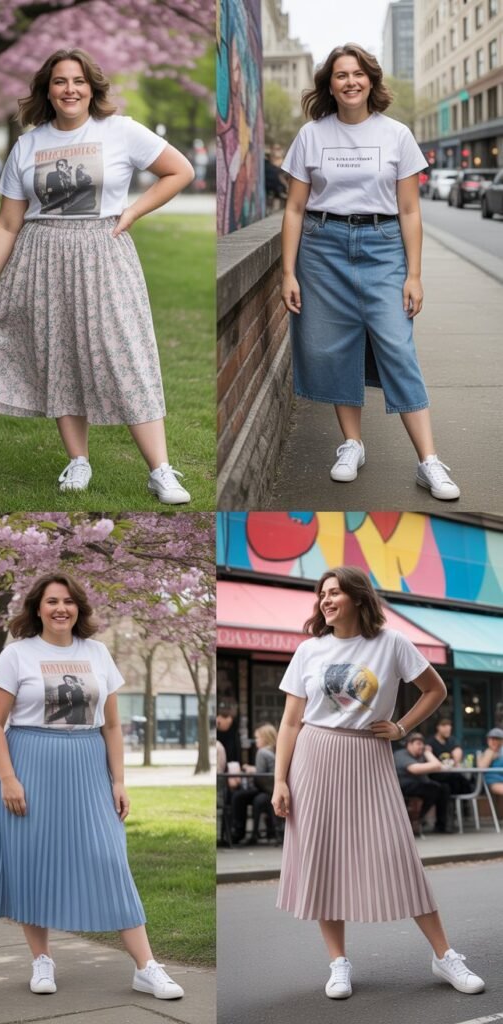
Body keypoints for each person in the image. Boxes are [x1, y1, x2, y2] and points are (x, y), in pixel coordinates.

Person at [0, 49, 195, 503]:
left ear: (92, 87)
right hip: (43, 257)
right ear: (47, 90)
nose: (70, 89)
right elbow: (6, 224)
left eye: (78, 81)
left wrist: (132, 212)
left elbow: (180, 170)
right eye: (60, 81)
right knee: (60, 356)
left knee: (127, 355)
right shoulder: (29, 144)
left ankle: (160, 471)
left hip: (103, 253)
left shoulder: (119, 131)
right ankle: (78, 461)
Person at [272, 566, 484, 1000]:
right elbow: (290, 722)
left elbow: (435, 690)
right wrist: (280, 780)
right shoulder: (309, 651)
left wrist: (403, 728)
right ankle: (338, 963)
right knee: (322, 858)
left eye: (335, 592)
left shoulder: (392, 644)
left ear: (358, 597)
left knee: (398, 855)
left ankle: (444, 956)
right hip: (314, 758)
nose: (326, 600)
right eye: (322, 594)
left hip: (369, 757)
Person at [0, 571, 184, 1000]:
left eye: (69, 601)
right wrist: (7, 777)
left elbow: (111, 724)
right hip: (31, 763)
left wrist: (119, 781)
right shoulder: (17, 655)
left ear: (79, 608)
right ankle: (42, 960)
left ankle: (146, 967)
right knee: (32, 861)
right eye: (52, 601)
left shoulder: (97, 653)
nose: (61, 608)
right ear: (37, 607)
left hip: (89, 765)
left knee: (109, 859)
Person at [280, 43, 460, 500]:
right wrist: (288, 272)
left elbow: (409, 210)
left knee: (397, 347)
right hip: (323, 249)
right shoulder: (312, 136)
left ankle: (429, 461)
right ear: (330, 85)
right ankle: (351, 444)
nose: (350, 82)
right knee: (332, 347)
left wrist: (414, 274)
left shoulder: (397, 135)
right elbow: (296, 209)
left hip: (383, 248)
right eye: (341, 75)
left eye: (358, 74)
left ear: (372, 81)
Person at [394, 732, 453, 834]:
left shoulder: (421, 754)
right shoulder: (401, 754)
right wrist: (429, 754)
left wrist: (427, 753)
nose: (421, 746)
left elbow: (438, 766)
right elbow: (415, 769)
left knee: (444, 788)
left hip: (421, 785)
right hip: (404, 786)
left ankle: (440, 826)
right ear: (409, 744)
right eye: (418, 744)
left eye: (422, 744)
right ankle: (416, 819)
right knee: (433, 789)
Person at [230, 723, 280, 844]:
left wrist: (250, 771)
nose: (255, 740)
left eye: (258, 738)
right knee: (243, 796)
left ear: (265, 738)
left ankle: (238, 832)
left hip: (266, 789)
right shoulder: (273, 751)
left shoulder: (262, 752)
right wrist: (253, 768)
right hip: (272, 789)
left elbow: (260, 776)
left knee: (238, 796)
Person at [425, 717, 474, 795]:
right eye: (444, 726)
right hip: (437, 774)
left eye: (449, 726)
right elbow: (428, 755)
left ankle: (464, 804)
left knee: (465, 782)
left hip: (451, 772)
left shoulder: (451, 740)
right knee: (459, 781)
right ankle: (464, 805)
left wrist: (457, 754)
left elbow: (457, 750)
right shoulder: (430, 742)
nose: (447, 729)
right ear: (438, 727)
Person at [477, 727, 503, 795]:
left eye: (496, 739)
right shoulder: (489, 752)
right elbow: (481, 767)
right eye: (491, 739)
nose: (493, 741)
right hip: (495, 781)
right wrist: (489, 755)